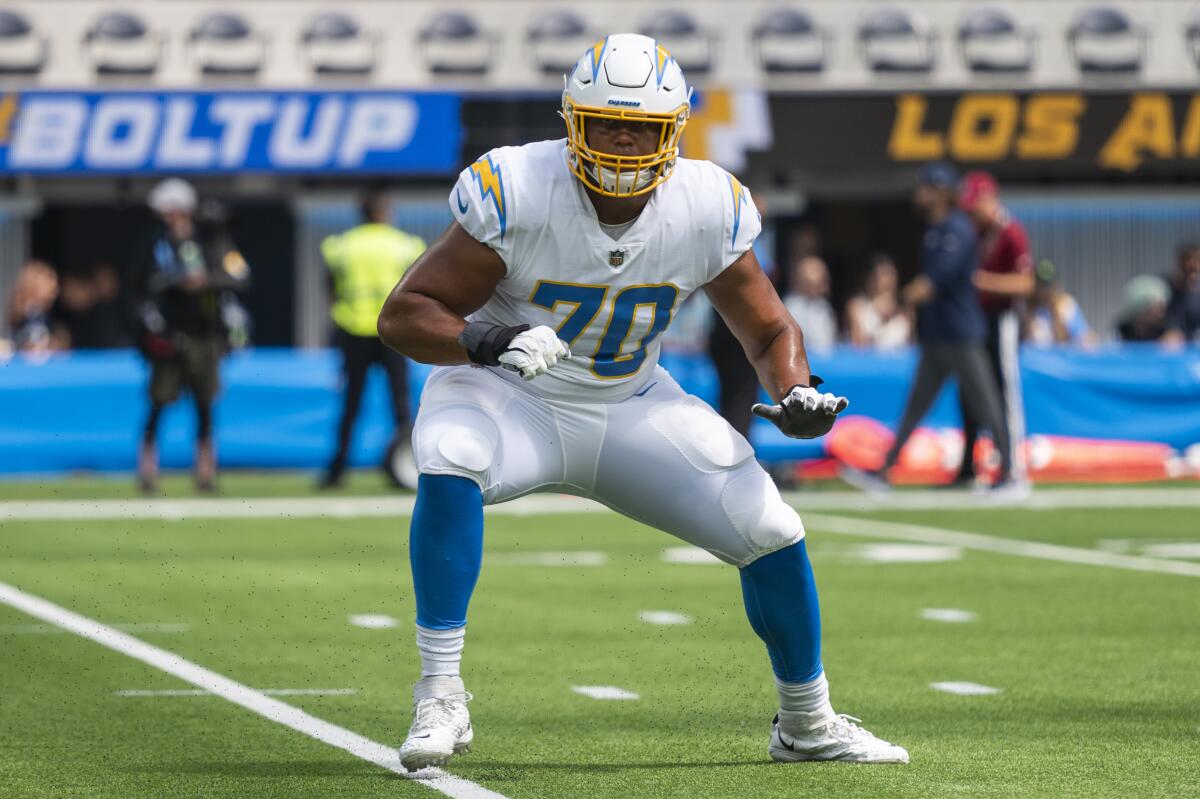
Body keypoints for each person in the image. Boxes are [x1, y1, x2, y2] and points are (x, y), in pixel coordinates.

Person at [377, 34, 908, 772]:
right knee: (450, 451)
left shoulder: (705, 203)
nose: (624, 143)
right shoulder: (519, 187)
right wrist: (489, 341)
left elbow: (768, 327)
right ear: (573, 122)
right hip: (513, 395)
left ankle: (806, 721)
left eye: (643, 128)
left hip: (631, 402)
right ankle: (439, 690)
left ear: (675, 131)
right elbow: (406, 313)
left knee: (771, 525)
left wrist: (796, 390)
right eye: (607, 124)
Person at [841, 162, 1018, 495]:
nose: (919, 193)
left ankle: (1010, 475)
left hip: (963, 334)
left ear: (939, 192)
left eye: (925, 187)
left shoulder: (957, 229)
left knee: (987, 403)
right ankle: (883, 472)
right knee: (915, 407)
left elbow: (935, 281)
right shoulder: (934, 230)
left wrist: (893, 305)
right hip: (938, 336)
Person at [128, 178, 250, 493]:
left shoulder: (212, 241)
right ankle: (147, 472)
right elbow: (138, 288)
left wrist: (205, 281)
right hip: (168, 336)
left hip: (203, 335)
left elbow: (239, 276)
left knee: (205, 405)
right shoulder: (153, 244)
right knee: (159, 403)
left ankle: (205, 473)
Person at [318, 191, 426, 489]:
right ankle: (412, 466)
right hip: (393, 332)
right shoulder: (406, 244)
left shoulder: (341, 245)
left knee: (351, 404)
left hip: (353, 329)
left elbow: (330, 287)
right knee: (401, 404)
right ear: (385, 213)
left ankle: (336, 472)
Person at [953, 170, 1033, 486]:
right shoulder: (975, 232)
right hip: (975, 320)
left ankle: (1012, 466)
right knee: (970, 392)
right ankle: (969, 464)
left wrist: (983, 283)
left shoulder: (1010, 231)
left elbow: (1025, 283)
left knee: (1004, 392)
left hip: (1001, 320)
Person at [845, 253, 911, 350]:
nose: (888, 280)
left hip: (898, 363)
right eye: (883, 274)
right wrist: (877, 314)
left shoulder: (905, 310)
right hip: (869, 363)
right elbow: (857, 344)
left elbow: (910, 347)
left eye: (892, 273)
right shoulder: (856, 305)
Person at [1024, 260, 1094, 347]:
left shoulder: (1066, 306)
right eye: (1041, 285)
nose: (1045, 290)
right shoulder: (1026, 309)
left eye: (1048, 285)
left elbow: (1085, 337)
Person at [8, 260, 67, 354]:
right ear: (34, 284)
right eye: (49, 281)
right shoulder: (29, 314)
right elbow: (31, 346)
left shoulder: (40, 314)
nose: (55, 288)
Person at [782, 255, 837, 352]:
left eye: (819, 283)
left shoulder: (825, 307)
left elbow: (829, 340)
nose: (814, 289)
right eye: (810, 284)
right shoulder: (790, 306)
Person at [1163, 242, 1200, 345]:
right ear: (1179, 262)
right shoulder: (1162, 287)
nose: (1193, 264)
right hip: (1162, 346)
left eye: (1198, 259)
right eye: (1188, 259)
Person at [1116, 275, 1171, 342]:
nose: (1161, 313)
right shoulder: (1122, 329)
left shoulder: (1165, 330)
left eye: (1161, 307)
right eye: (1157, 307)